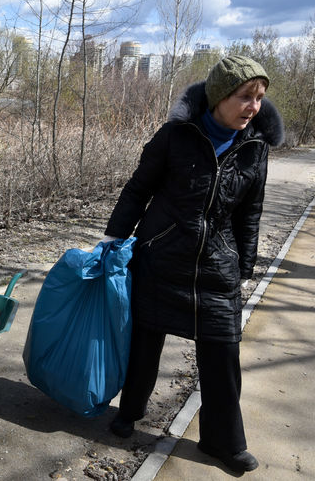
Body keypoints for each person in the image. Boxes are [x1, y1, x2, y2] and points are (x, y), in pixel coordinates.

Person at [100, 55, 284, 473]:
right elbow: (138, 189)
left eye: (259, 98)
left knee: (222, 355)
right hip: (161, 256)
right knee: (145, 345)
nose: (253, 106)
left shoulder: (256, 147)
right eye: (244, 96)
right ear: (219, 96)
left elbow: (250, 211)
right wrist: (113, 240)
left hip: (217, 265)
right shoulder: (176, 136)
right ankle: (130, 412)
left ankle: (223, 442)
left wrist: (243, 268)